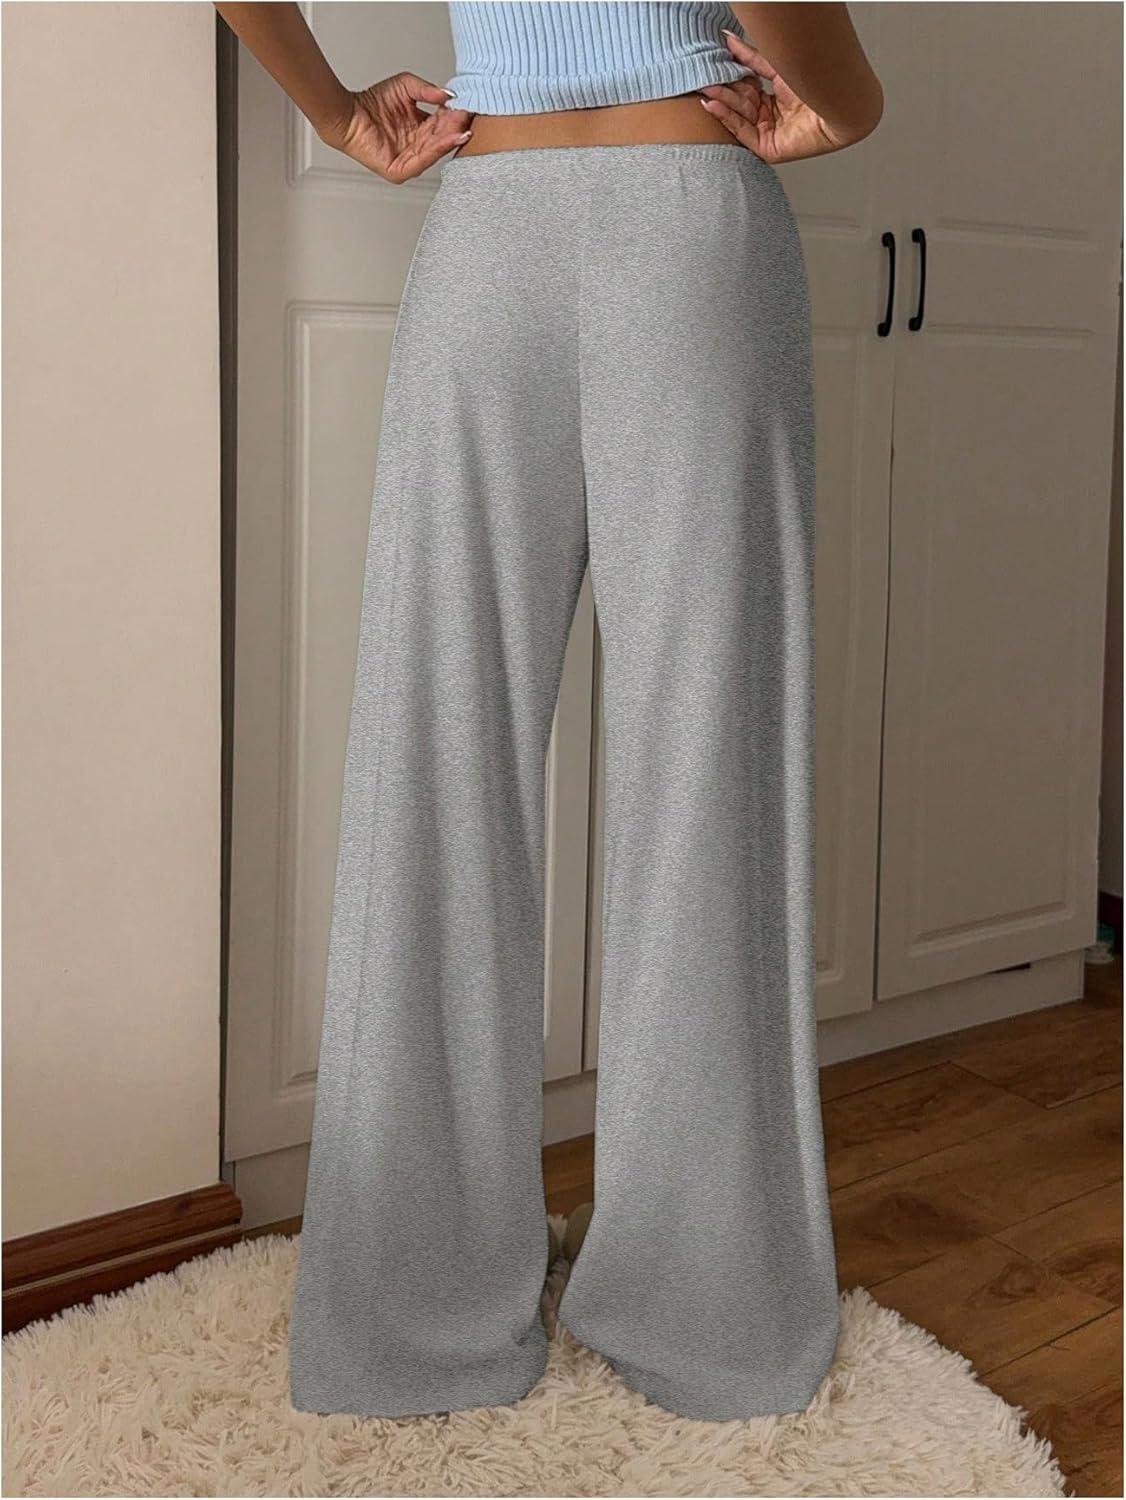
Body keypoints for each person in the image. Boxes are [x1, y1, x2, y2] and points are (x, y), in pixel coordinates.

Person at [215, 0, 883, 1424]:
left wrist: (336, 111)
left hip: (490, 234)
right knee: (706, 765)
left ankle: (411, 1313)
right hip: (690, 220)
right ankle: (701, 1304)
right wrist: (849, 102)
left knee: (435, 763)